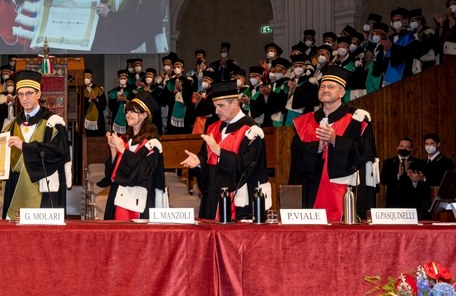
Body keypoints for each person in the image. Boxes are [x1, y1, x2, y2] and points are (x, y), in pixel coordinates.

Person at [290, 66, 378, 222]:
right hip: (314, 189)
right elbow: (297, 156)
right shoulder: (306, 121)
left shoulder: (357, 120)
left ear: (342, 93)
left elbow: (365, 154)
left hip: (346, 193)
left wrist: (336, 140)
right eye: (322, 86)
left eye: (331, 86)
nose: (325, 89)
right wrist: (317, 147)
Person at [180, 81, 269, 220]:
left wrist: (220, 152)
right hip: (212, 197)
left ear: (235, 103)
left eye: (221, 106)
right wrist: (199, 161)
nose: (216, 111)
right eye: (215, 106)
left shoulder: (252, 131)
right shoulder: (214, 128)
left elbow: (246, 167)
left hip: (237, 201)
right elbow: (205, 156)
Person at [2, 70, 70, 220]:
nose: (24, 98)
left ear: (38, 94)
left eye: (29, 93)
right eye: (20, 94)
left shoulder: (53, 123)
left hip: (44, 190)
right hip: (16, 189)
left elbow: (59, 151)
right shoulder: (12, 125)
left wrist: (25, 147)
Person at [98, 92, 165, 220]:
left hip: (141, 198)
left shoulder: (152, 142)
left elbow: (144, 171)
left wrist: (123, 150)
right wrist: (113, 150)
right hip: (119, 196)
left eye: (133, 112)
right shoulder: (125, 139)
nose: (128, 115)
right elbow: (113, 174)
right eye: (127, 111)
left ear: (144, 115)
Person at [380, 137, 429, 219]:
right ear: (397, 147)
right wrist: (398, 175)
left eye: (407, 147)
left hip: (412, 205)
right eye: (402, 146)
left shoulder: (419, 163)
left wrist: (415, 181)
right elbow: (383, 181)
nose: (404, 148)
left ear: (411, 149)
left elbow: (424, 185)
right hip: (393, 204)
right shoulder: (388, 163)